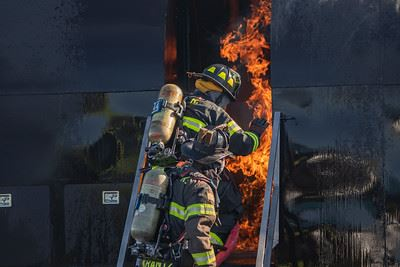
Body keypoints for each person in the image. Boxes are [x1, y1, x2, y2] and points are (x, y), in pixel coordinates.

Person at [167, 64, 268, 266]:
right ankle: (209, 251)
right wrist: (256, 132)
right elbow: (243, 144)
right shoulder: (214, 111)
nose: (226, 106)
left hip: (169, 177)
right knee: (231, 204)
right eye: (227, 101)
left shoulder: (179, 105)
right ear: (220, 95)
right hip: (198, 177)